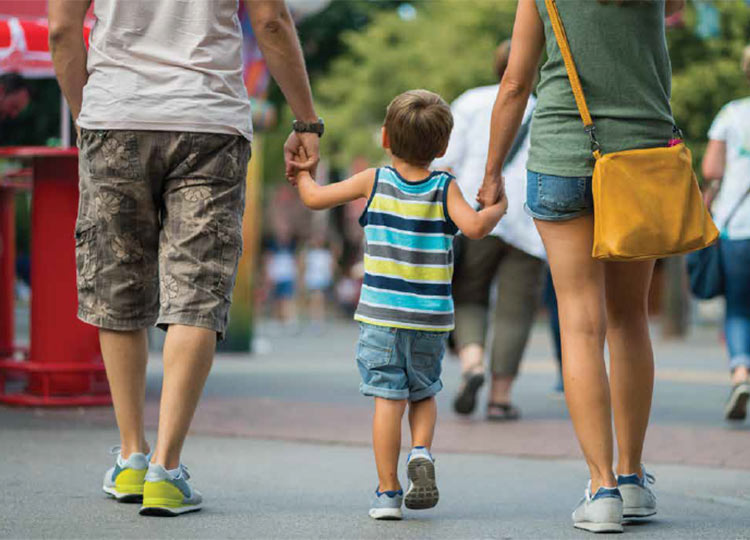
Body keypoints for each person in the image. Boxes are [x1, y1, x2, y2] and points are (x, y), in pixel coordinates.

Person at [49, 0, 321, 517]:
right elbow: (270, 20)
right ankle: (166, 470)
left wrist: (90, 116)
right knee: (196, 290)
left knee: (119, 283)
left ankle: (132, 454)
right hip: (209, 121)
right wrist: (306, 120)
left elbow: (62, 31)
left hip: (115, 115)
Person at [477, 0, 685, 533]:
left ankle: (601, 490)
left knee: (580, 322)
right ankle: (632, 477)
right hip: (641, 157)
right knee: (629, 318)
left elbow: (515, 85)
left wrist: (493, 171)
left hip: (564, 155)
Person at [294, 90, 507, 520]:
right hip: (430, 318)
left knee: (387, 400)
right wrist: (497, 207)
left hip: (381, 316)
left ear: (386, 138)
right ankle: (422, 451)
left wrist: (302, 172)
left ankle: (388, 492)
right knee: (423, 392)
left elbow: (314, 198)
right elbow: (476, 227)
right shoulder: (445, 186)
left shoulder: (374, 180)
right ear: (443, 147)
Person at [434, 41, 546, 421]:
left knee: (468, 294)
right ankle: (500, 399)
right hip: (530, 219)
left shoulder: (470, 102)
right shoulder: (546, 111)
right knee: (516, 309)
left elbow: (445, 162)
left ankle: (472, 364)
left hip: (474, 213)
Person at [701, 44, 750, 422]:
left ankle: (739, 372)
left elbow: (712, 170)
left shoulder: (731, 114)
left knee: (737, 306)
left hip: (738, 226)